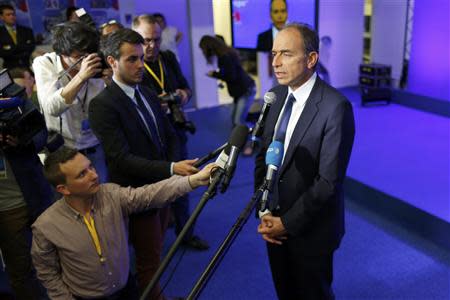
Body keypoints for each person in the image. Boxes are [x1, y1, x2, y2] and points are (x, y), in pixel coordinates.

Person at [88, 28, 199, 299]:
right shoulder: (103, 105)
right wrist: (172, 169)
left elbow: (169, 134)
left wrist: (172, 168)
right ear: (112, 62)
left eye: (141, 58)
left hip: (163, 189)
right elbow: (121, 159)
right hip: (136, 194)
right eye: (132, 59)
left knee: (156, 252)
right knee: (148, 261)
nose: (141, 64)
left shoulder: (147, 92)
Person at [31, 147, 214, 299]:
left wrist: (192, 181)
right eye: (82, 174)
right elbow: (46, 271)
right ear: (63, 189)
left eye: (91, 167)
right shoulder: (46, 225)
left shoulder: (111, 193)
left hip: (128, 290)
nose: (94, 175)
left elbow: (150, 194)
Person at [255, 23, 355, 299]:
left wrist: (286, 222)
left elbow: (328, 182)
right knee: (285, 292)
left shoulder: (335, 107)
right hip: (273, 224)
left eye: (286, 54)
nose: (275, 62)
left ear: (311, 59)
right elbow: (264, 162)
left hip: (312, 230)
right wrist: (264, 212)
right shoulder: (275, 99)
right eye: (274, 53)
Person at [132, 14, 209, 251]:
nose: (152, 46)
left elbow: (186, 87)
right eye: (146, 40)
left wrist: (183, 95)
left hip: (174, 131)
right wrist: (155, 104)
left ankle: (186, 234)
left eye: (156, 39)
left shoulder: (168, 58)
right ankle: (151, 242)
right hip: (147, 139)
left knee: (184, 184)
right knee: (152, 191)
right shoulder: (131, 65)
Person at [33, 21, 109, 183]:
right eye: (78, 57)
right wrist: (81, 77)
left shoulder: (98, 62)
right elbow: (51, 108)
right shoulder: (45, 63)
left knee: (100, 195)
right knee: (67, 202)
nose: (85, 61)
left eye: (88, 54)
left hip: (96, 146)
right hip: (62, 150)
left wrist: (111, 82)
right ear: (62, 53)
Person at [0, 98, 53, 300]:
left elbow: (41, 131)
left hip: (36, 194)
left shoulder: (11, 96)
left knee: (57, 257)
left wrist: (24, 139)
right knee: (21, 271)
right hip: (5, 209)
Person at [199, 35, 256, 129]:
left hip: (246, 90)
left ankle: (256, 134)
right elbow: (230, 73)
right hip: (241, 90)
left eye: (203, 49)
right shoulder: (225, 54)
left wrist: (214, 75)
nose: (204, 52)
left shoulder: (225, 57)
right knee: (235, 120)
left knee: (238, 121)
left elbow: (231, 76)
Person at [0, 4, 35, 69]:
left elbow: (31, 47)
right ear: (1, 17)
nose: (12, 17)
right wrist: (21, 48)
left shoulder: (27, 31)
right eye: (8, 15)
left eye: (13, 14)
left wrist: (12, 48)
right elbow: (2, 53)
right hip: (11, 68)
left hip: (27, 65)